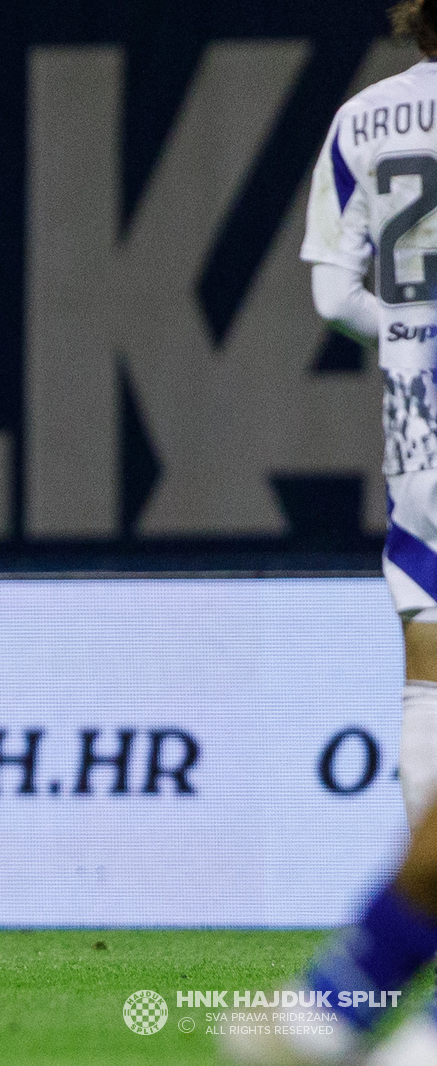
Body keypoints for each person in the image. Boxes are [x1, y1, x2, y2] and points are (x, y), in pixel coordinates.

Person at [222, 2, 437, 1059]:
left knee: (429, 660)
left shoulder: (369, 119)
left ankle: (353, 1001)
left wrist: (411, 330)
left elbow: (333, 285)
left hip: (423, 431)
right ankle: (360, 1001)